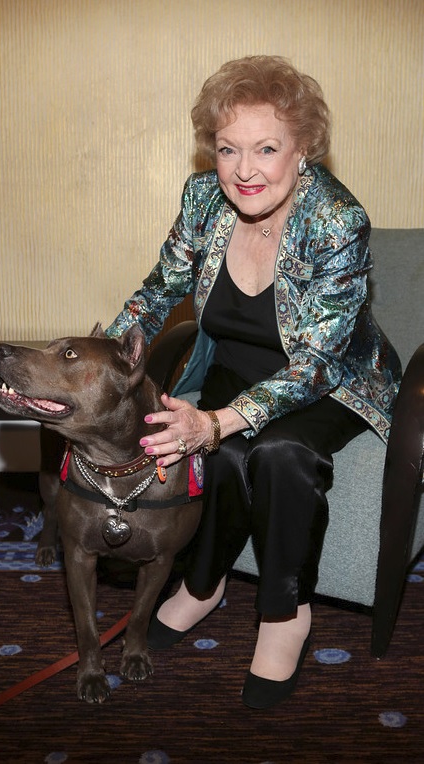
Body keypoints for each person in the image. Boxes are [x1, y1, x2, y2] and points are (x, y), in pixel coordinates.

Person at [106, 55, 401, 709]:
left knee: (275, 450)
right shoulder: (203, 198)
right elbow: (163, 288)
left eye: (266, 148)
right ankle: (203, 585)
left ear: (303, 151)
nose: (244, 170)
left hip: (329, 379)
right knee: (233, 450)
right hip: (235, 368)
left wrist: (211, 423)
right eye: (227, 148)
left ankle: (283, 614)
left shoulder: (335, 223)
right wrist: (110, 355)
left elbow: (317, 363)